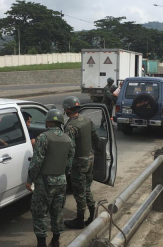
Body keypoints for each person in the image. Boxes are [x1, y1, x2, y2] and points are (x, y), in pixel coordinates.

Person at [26, 109, 75, 247]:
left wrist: (30, 180)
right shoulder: (68, 139)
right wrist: (62, 175)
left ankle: (41, 243)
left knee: (39, 212)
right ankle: (56, 240)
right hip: (61, 181)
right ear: (60, 122)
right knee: (57, 211)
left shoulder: (43, 138)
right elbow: (69, 163)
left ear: (48, 122)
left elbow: (36, 162)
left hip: (44, 182)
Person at [62, 96, 100, 229]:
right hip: (89, 159)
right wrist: (94, 152)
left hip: (78, 163)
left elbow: (70, 149)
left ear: (68, 109)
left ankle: (79, 220)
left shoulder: (70, 127)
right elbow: (96, 138)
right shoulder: (87, 121)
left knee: (79, 192)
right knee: (87, 188)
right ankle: (92, 215)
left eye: (65, 109)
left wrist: (66, 167)